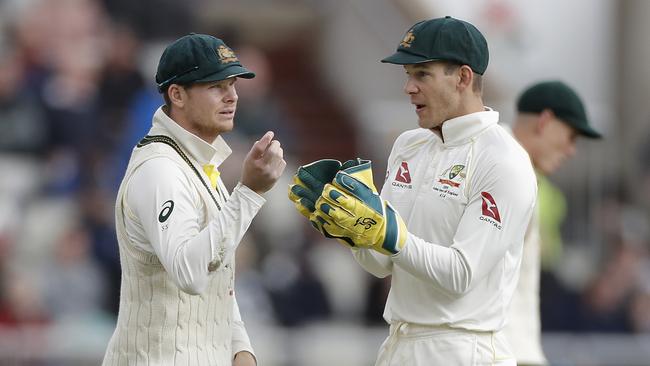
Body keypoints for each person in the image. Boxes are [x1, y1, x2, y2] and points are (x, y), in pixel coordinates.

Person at [289, 16, 537, 365]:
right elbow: (381, 263)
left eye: (422, 74)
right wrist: (350, 230)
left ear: (463, 77)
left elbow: (460, 274)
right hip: (400, 343)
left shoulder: (502, 160)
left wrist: (389, 234)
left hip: (464, 349)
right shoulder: (409, 145)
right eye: (408, 75)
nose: (408, 87)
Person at [102, 33, 286, 366]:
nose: (231, 97)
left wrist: (241, 349)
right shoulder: (161, 169)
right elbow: (190, 272)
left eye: (232, 85)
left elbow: (217, 279)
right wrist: (248, 192)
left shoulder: (198, 164)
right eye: (216, 86)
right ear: (177, 94)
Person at [506, 80, 602, 365]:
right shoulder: (499, 169)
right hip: (495, 351)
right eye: (571, 137)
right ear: (545, 121)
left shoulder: (521, 173)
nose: (572, 151)